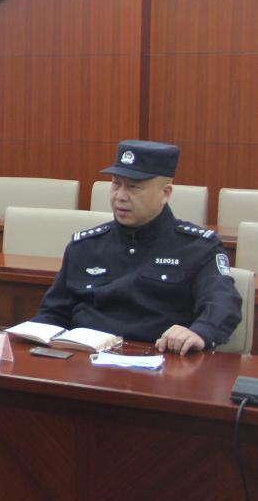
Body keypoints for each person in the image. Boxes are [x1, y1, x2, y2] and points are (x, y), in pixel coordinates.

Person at [31, 139, 240, 354]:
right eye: (116, 184)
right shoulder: (85, 246)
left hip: (160, 360)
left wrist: (200, 332)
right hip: (85, 359)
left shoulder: (198, 247)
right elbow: (53, 313)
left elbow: (223, 302)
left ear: (165, 193)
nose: (120, 196)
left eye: (134, 187)